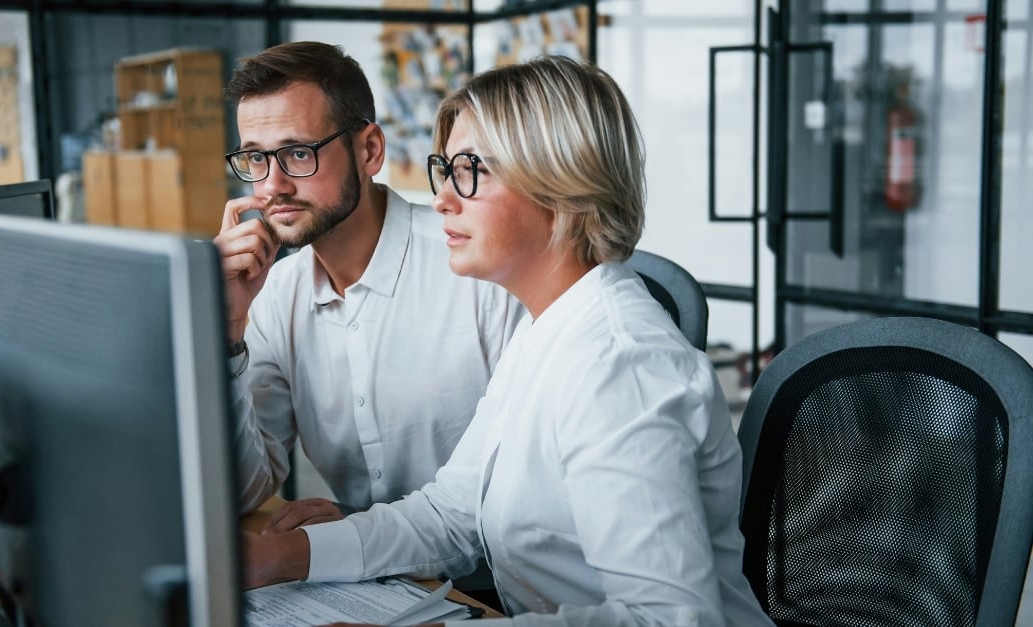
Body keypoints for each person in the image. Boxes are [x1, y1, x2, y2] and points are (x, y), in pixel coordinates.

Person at [241, 55, 774, 626]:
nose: (443, 198)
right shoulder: (546, 331)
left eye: (472, 170)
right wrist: (280, 556)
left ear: (562, 184)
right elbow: (452, 513)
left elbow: (670, 620)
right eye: (445, 169)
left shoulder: (622, 365)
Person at [217, 42, 523, 526]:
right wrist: (229, 332)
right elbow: (242, 491)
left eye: (297, 153)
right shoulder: (276, 296)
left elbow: (525, 489)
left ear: (369, 150)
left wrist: (356, 532)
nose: (272, 185)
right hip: (376, 584)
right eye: (256, 159)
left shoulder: (477, 270)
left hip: (492, 589)